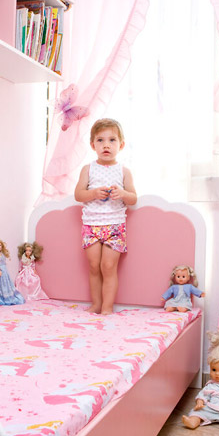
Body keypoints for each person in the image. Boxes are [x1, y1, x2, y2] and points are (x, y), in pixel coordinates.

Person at [74, 118, 137, 315]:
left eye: (112, 140)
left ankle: (107, 308)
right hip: (91, 225)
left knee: (108, 266)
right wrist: (93, 193)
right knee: (94, 266)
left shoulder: (124, 171)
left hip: (114, 226)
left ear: (121, 145)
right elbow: (78, 195)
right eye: (100, 140)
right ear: (93, 145)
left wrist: (123, 194)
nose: (106, 145)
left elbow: (133, 198)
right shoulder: (88, 169)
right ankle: (96, 305)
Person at [0, 238, 25, 306]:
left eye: (0, 245)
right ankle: (2, 297)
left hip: (4, 269)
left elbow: (4, 261)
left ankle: (9, 297)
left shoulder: (2, 254)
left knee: (6, 282)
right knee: (1, 284)